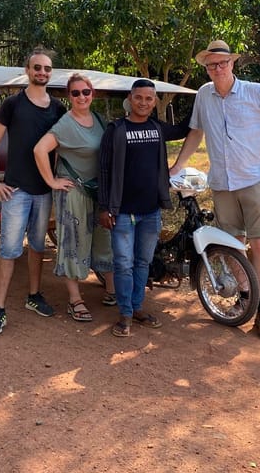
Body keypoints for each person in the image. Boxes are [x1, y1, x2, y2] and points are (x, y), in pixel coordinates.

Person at [170, 40, 260, 340]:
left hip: (254, 179)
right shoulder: (204, 95)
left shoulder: (254, 92)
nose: (217, 69)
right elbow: (196, 131)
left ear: (232, 64)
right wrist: (179, 164)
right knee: (232, 245)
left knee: (259, 245)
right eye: (211, 65)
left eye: (222, 63)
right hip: (222, 183)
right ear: (206, 68)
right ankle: (245, 297)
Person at [0, 48, 67, 336]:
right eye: (37, 68)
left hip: (44, 191)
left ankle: (34, 295)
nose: (42, 72)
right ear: (28, 70)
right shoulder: (12, 104)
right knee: (8, 250)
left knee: (38, 246)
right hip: (16, 190)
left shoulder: (58, 108)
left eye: (47, 68)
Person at [98, 79, 190, 337]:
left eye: (149, 99)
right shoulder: (116, 129)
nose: (144, 102)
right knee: (123, 263)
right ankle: (125, 314)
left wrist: (204, 98)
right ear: (130, 98)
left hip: (151, 211)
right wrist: (104, 207)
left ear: (155, 101)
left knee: (142, 262)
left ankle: (137, 308)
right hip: (123, 211)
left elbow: (183, 129)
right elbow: (104, 170)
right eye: (139, 97)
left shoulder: (156, 127)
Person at [33, 73, 115, 323]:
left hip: (98, 190)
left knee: (105, 238)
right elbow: (39, 149)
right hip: (74, 191)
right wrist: (51, 181)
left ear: (93, 94)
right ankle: (74, 299)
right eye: (76, 93)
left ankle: (112, 290)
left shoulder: (99, 120)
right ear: (69, 96)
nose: (82, 97)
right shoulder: (65, 124)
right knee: (74, 241)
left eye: (86, 92)